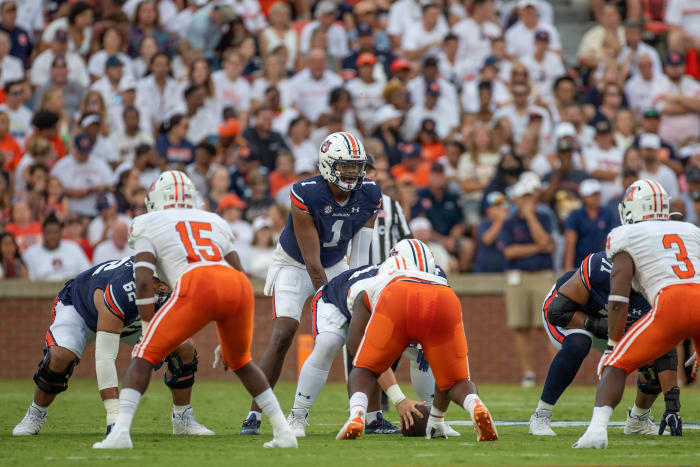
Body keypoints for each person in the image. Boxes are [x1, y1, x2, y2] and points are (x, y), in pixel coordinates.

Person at [93, 171, 297, 449]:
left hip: (196, 282)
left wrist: (145, 325)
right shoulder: (214, 219)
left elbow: (143, 280)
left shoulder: (146, 222)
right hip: (237, 286)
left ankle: (120, 434)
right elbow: (237, 271)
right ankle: (283, 433)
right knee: (241, 362)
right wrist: (226, 334)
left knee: (142, 355)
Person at [240, 132, 380, 435]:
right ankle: (255, 413)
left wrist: (358, 294)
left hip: (334, 263)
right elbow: (311, 261)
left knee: (356, 327)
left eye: (356, 166)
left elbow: (359, 258)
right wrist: (330, 299)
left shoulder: (369, 193)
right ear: (328, 165)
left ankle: (369, 413)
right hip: (295, 263)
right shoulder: (307, 193)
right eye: (345, 166)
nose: (352, 173)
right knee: (284, 332)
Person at [12, 256, 214, 436]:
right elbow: (105, 357)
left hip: (132, 316)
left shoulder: (175, 287)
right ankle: (36, 412)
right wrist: (114, 415)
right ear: (161, 285)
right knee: (60, 356)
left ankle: (182, 419)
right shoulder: (120, 290)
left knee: (184, 348)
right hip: (81, 311)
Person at [574, 180, 693, 448]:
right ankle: (643, 418)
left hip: (670, 302)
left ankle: (596, 430)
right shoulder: (690, 230)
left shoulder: (625, 235)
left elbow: (617, 299)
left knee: (617, 364)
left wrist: (613, 345)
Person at [336, 247, 498, 442]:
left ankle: (357, 415)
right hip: (444, 297)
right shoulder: (437, 275)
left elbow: (355, 347)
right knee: (454, 379)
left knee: (364, 367)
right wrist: (435, 419)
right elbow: (444, 377)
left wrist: (395, 395)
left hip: (396, 296)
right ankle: (474, 405)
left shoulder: (368, 281)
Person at [530, 251, 679, 436]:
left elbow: (666, 350)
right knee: (579, 343)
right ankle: (541, 415)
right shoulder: (598, 267)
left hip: (611, 325)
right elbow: (558, 312)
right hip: (572, 316)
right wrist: (599, 325)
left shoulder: (657, 293)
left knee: (654, 356)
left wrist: (673, 405)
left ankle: (638, 420)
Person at [501, 178, 555, 387]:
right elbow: (510, 251)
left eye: (529, 197)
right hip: (518, 277)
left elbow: (545, 241)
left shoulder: (544, 216)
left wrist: (531, 216)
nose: (527, 201)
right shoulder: (509, 222)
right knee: (520, 326)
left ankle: (554, 373)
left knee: (547, 325)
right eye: (524, 197)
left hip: (542, 274)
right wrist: (538, 248)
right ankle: (528, 374)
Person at [50, 134, 113, 217]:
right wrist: (71, 192)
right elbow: (50, 188)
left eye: (86, 151)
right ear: (74, 148)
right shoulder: (62, 165)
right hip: (71, 212)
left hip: (97, 212)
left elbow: (112, 186)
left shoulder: (99, 163)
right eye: (81, 151)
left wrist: (100, 188)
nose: (84, 154)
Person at [563, 179, 615, 271]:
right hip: (579, 265)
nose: (596, 197)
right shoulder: (575, 215)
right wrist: (568, 270)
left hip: (600, 265)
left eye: (597, 194)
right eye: (592, 195)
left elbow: (608, 241)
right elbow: (570, 243)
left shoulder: (607, 214)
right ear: (584, 197)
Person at [22, 214, 91, 281]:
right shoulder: (30, 254)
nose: (52, 236)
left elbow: (88, 275)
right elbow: (28, 282)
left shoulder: (74, 248)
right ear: (43, 233)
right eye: (49, 232)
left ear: (61, 233)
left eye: (56, 232)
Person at [474, 191, 508, 273]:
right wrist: (500, 220)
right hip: (485, 270)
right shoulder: (484, 224)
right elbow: (487, 239)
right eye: (496, 206)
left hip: (505, 269)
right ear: (487, 210)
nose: (501, 209)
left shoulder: (510, 224)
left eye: (502, 205)